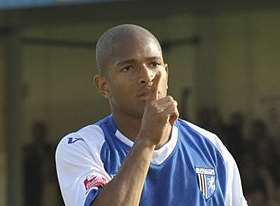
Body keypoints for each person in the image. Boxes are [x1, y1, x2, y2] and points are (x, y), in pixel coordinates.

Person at [55, 24, 247, 206]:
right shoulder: (82, 146)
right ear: (104, 86)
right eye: (128, 68)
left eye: (154, 64)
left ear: (166, 73)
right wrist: (146, 140)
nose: (146, 76)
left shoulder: (211, 148)